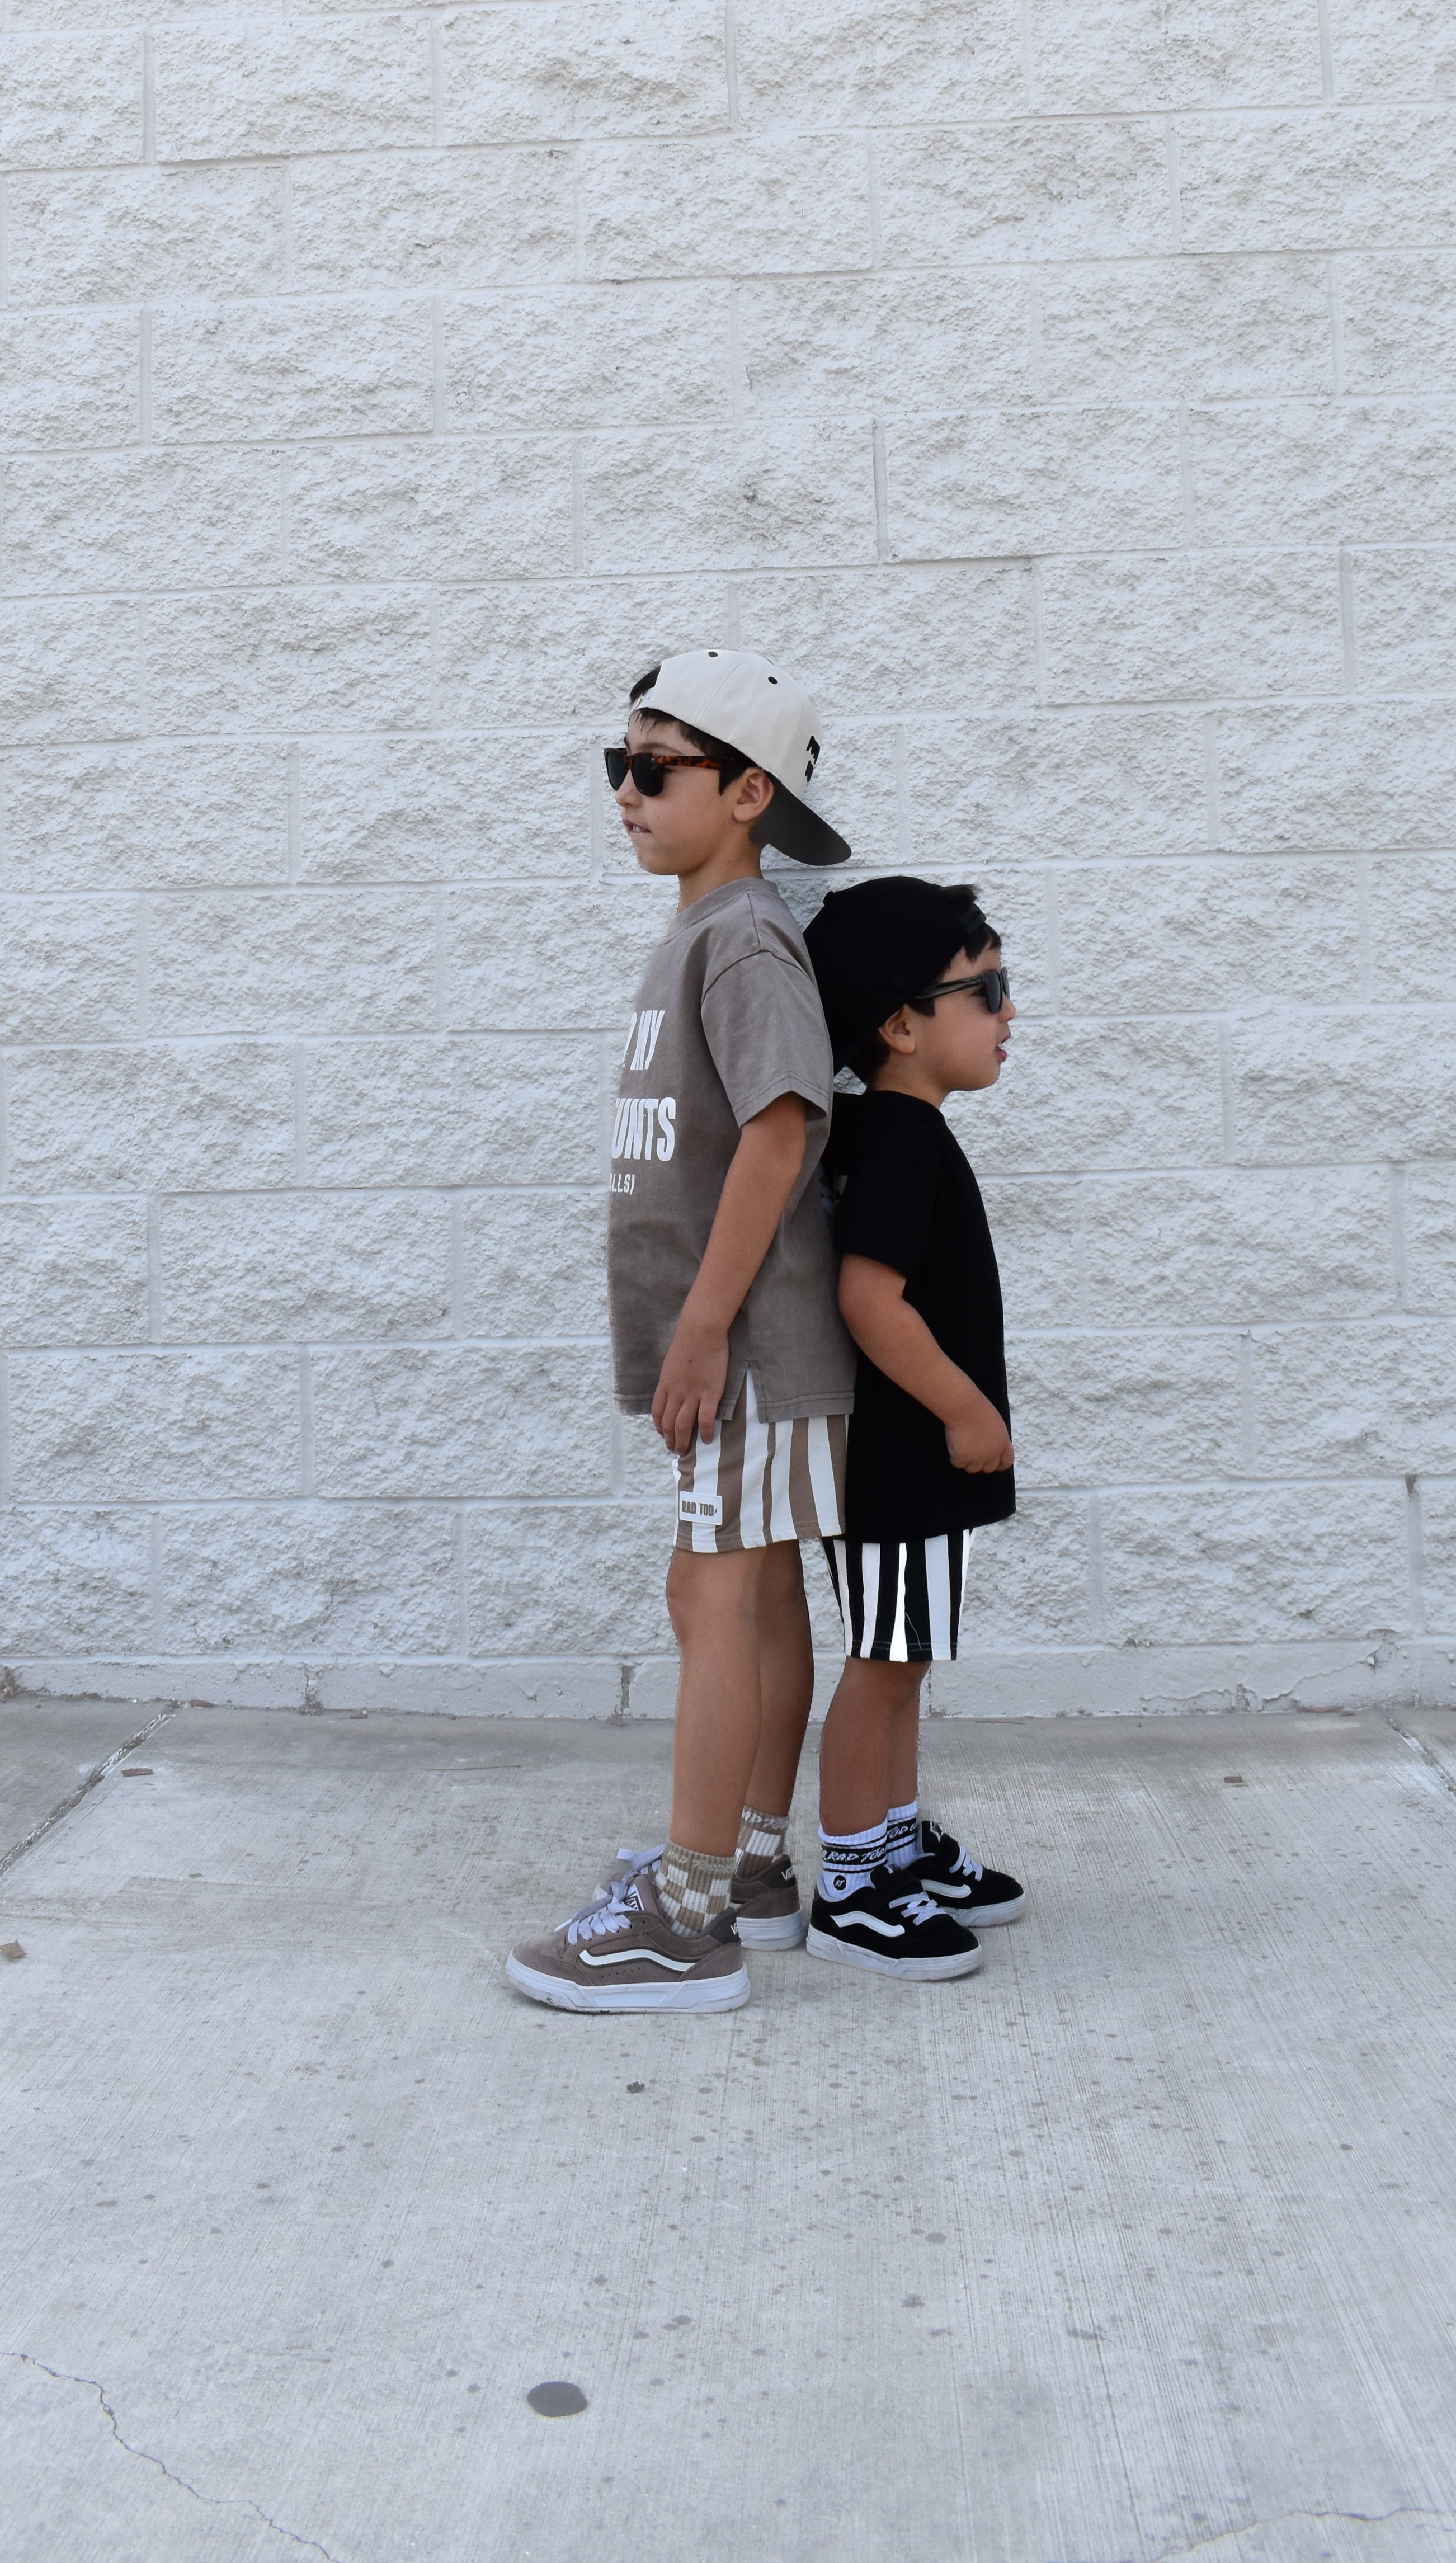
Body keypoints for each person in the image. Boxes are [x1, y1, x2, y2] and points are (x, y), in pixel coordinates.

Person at [506, 652, 854, 2015]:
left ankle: (687, 1912)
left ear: (748, 791)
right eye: (620, 767)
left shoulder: (746, 936)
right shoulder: (702, 935)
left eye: (658, 769)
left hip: (751, 1352)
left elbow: (781, 1130)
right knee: (749, 1594)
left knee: (713, 1595)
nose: (628, 792)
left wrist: (702, 1331)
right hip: (746, 1355)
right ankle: (755, 1865)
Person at [794, 876, 1028, 1980]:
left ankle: (894, 1841)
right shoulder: (897, 1141)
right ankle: (853, 1881)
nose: (1007, 1011)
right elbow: (868, 1301)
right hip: (901, 1463)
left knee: (907, 1656)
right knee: (883, 1664)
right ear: (900, 1024)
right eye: (986, 988)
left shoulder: (906, 1131)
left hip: (912, 1470)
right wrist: (967, 1407)